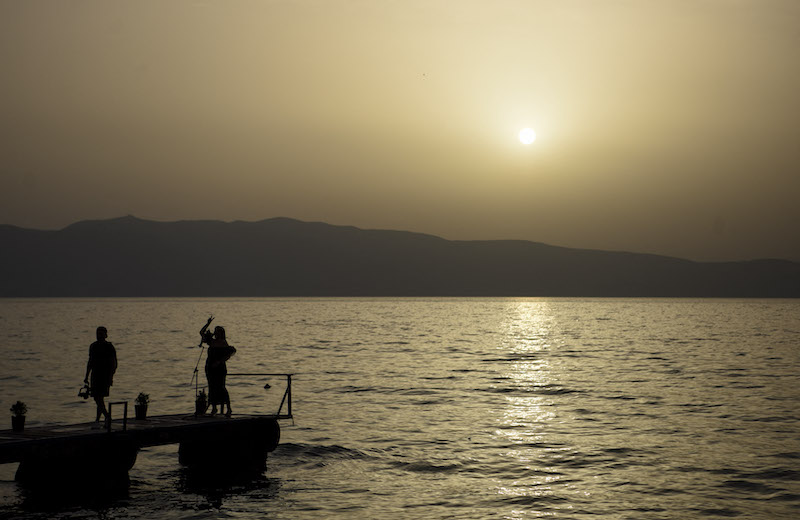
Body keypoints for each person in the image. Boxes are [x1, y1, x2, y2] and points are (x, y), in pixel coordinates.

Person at [199, 317, 236, 416]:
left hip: (219, 368)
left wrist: (219, 362)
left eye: (217, 331)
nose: (215, 333)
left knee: (221, 387)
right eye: (215, 331)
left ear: (221, 333)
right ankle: (214, 408)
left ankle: (228, 408)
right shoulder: (211, 341)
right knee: (212, 387)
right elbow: (201, 332)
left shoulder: (224, 343)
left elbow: (228, 355)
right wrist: (208, 324)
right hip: (210, 367)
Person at [84, 326, 118, 423]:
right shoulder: (93, 346)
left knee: (98, 398)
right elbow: (90, 362)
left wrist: (111, 376)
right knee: (98, 398)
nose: (98, 335)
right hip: (95, 375)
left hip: (105, 376)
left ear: (105, 335)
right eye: (97, 333)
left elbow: (114, 363)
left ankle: (107, 417)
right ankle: (99, 419)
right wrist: (86, 376)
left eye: (101, 333)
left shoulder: (109, 347)